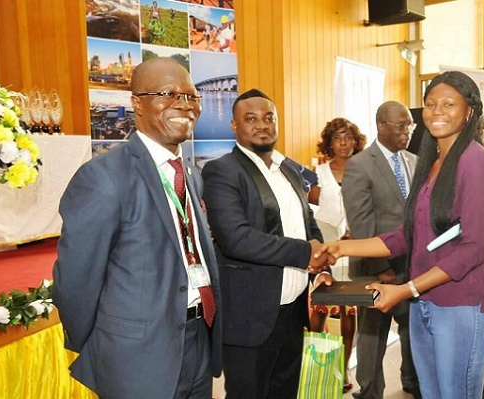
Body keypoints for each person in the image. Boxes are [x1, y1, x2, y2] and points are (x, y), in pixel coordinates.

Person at [317, 71, 484, 399]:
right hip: (425, 302)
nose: (437, 111)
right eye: (431, 104)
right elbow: (408, 235)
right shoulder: (431, 162)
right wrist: (340, 248)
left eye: (449, 104)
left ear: (469, 111)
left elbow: (474, 247)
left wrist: (405, 289)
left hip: (462, 305)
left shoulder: (475, 161)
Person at [52, 57, 222, 398]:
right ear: (136, 104)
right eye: (168, 94)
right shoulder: (104, 177)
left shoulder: (189, 174)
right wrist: (105, 345)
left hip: (198, 342)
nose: (184, 105)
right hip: (136, 359)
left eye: (191, 97)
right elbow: (75, 282)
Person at [201, 88, 332, 399]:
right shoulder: (221, 171)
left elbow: (306, 221)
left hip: (292, 311)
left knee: (285, 392)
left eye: (268, 118)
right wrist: (306, 253)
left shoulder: (289, 168)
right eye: (251, 119)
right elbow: (236, 238)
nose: (262, 125)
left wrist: (321, 260)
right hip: (250, 316)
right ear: (235, 126)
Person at [341, 101, 420, 399]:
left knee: (412, 330)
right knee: (374, 333)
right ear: (381, 126)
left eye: (410, 126)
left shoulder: (414, 161)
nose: (407, 132)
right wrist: (380, 267)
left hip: (413, 266)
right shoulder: (360, 164)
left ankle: (412, 382)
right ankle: (370, 391)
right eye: (401, 126)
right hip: (376, 269)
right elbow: (361, 222)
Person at [308, 117, 366, 394]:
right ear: (330, 143)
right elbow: (312, 209)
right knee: (319, 305)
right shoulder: (317, 173)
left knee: (348, 309)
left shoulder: (364, 170)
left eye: (349, 138)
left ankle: (343, 370)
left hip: (355, 246)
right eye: (338, 138)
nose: (344, 143)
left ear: (356, 142)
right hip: (327, 246)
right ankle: (319, 367)